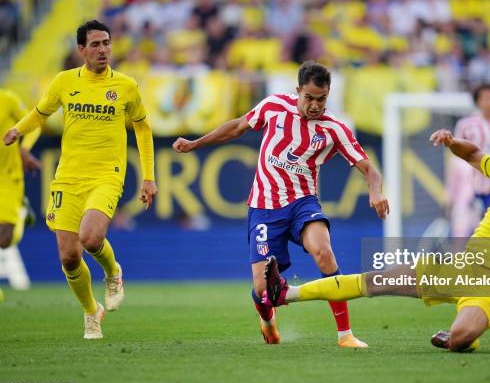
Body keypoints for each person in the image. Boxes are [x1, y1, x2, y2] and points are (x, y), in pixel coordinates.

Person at [264, 113, 490, 352]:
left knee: (460, 339)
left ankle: (463, 337)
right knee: (376, 282)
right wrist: (451, 143)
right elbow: (473, 153)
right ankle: (285, 293)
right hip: (460, 266)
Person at [172, 61, 389, 347]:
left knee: (324, 253)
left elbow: (370, 169)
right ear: (298, 91)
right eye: (309, 97)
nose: (314, 105)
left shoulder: (334, 129)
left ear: (328, 95)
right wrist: (194, 143)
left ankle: (345, 334)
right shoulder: (273, 106)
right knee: (263, 290)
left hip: (302, 203)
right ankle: (268, 320)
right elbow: (237, 127)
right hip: (264, 207)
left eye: (321, 99)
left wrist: (375, 192)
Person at [3, 20, 157, 339]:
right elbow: (41, 112)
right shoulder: (64, 82)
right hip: (68, 178)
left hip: (106, 175)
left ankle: (113, 273)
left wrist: (148, 177)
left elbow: (142, 128)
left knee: (90, 238)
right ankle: (91, 312)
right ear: (81, 50)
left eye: (107, 43)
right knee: (69, 256)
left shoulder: (126, 86)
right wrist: (19, 129)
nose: (103, 50)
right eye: (96, 45)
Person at [447, 84, 490, 237]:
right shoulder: (465, 125)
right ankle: (460, 259)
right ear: (477, 101)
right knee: (464, 230)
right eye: (483, 98)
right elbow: (457, 159)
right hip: (472, 188)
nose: (488, 102)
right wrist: (452, 192)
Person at [0, 89, 41, 302]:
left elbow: (34, 124)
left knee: (5, 239)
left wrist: (24, 149)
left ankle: (21, 211)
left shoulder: (8, 100)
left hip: (8, 178)